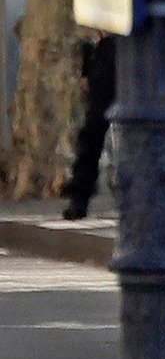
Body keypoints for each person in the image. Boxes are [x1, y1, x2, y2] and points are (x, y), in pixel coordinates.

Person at [62, 32, 117, 220]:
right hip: (111, 48)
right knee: (93, 130)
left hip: (117, 48)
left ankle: (80, 196)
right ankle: (80, 195)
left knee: (93, 130)